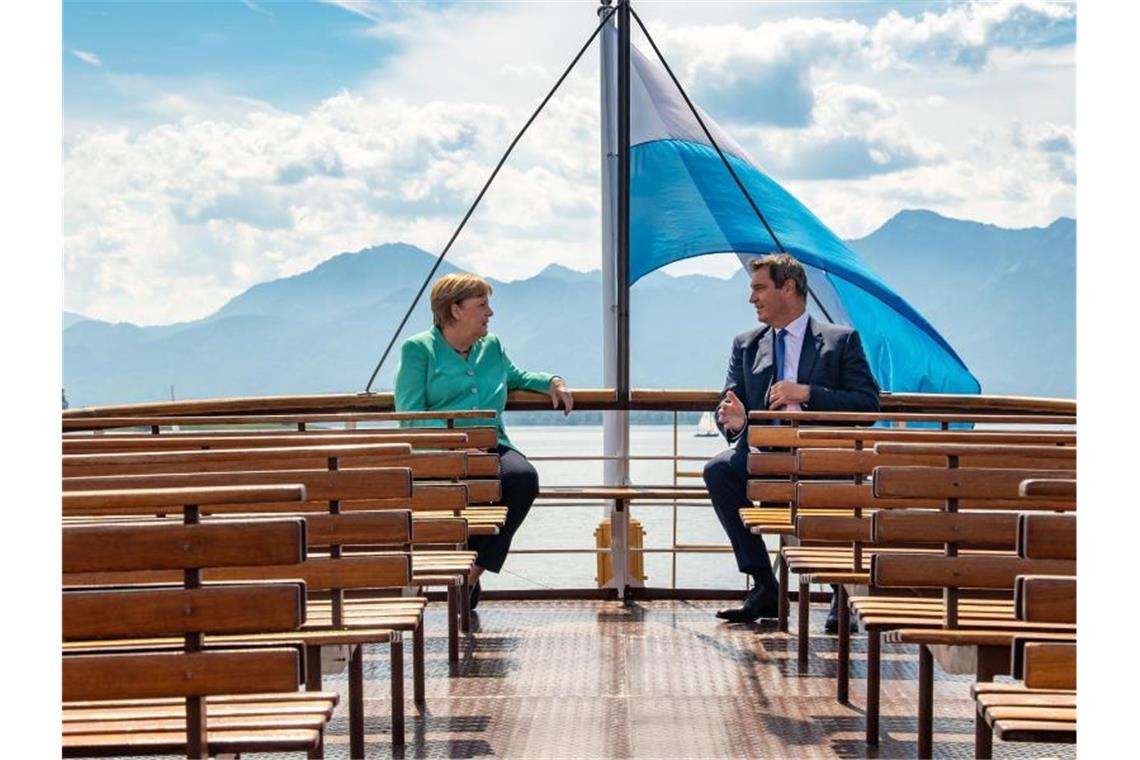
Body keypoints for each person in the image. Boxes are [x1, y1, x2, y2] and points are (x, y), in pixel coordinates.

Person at [703, 253, 880, 629]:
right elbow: (730, 403)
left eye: (759, 288)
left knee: (834, 489)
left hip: (824, 463)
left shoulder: (841, 341)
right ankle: (763, 584)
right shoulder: (746, 345)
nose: (752, 298)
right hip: (767, 460)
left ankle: (841, 593)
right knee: (719, 470)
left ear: (788, 287)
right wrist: (735, 422)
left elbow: (866, 404)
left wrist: (808, 392)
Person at [395, 272, 573, 611]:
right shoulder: (419, 350)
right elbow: (410, 417)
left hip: (492, 444)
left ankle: (471, 574)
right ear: (456, 310)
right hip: (441, 452)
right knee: (469, 494)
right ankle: (464, 577)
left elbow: (517, 377)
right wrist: (455, 446)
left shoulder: (491, 347)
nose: (489, 313)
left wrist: (552, 381)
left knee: (521, 479)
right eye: (482, 305)